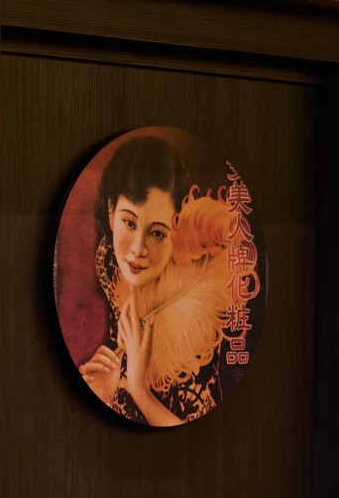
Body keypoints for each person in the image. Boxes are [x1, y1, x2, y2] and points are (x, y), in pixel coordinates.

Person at [77, 135, 242, 426]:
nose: (138, 250)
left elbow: (193, 437)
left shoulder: (199, 334)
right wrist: (101, 395)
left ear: (176, 227)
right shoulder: (109, 259)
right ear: (111, 210)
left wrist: (139, 388)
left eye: (157, 233)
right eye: (129, 223)